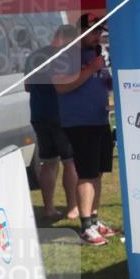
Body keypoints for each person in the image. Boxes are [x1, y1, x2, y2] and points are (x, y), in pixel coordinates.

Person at [50, 13, 119, 246]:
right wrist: (90, 69)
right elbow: (60, 86)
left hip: (100, 119)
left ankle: (95, 219)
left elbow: (105, 83)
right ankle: (86, 225)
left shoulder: (97, 54)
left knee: (97, 172)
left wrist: (113, 80)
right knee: (87, 174)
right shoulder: (66, 55)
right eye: (93, 31)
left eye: (100, 31)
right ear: (79, 31)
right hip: (79, 123)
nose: (97, 36)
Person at [24, 25, 79, 223]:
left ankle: (49, 208)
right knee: (70, 161)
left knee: (48, 162)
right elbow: (69, 84)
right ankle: (73, 207)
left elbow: (27, 86)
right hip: (61, 114)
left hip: (39, 113)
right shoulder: (66, 57)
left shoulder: (34, 56)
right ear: (63, 37)